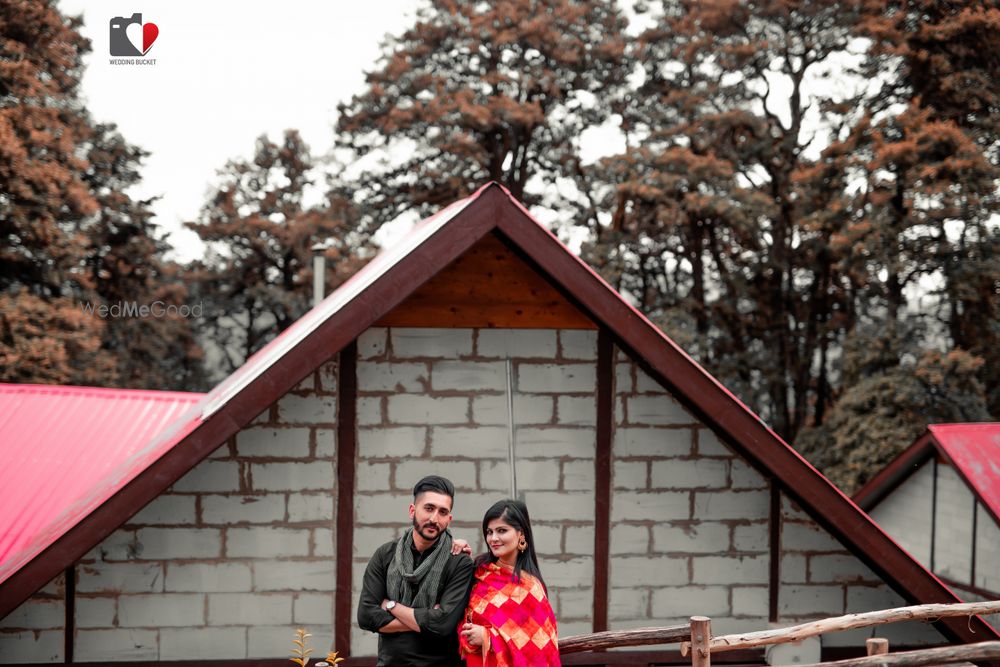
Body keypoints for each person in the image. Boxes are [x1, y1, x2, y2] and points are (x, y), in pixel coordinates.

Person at [357, 475, 476, 667]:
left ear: (449, 519)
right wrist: (426, 618)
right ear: (412, 510)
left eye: (443, 512)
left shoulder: (459, 563)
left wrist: (390, 606)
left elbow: (443, 625)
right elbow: (365, 616)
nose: (434, 518)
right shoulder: (385, 555)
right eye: (428, 508)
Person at [458, 499, 561, 666]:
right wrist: (453, 552)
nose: (493, 538)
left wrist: (487, 637)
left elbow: (538, 651)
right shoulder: (480, 571)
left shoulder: (530, 588)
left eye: (502, 530)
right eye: (489, 532)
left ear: (521, 534)